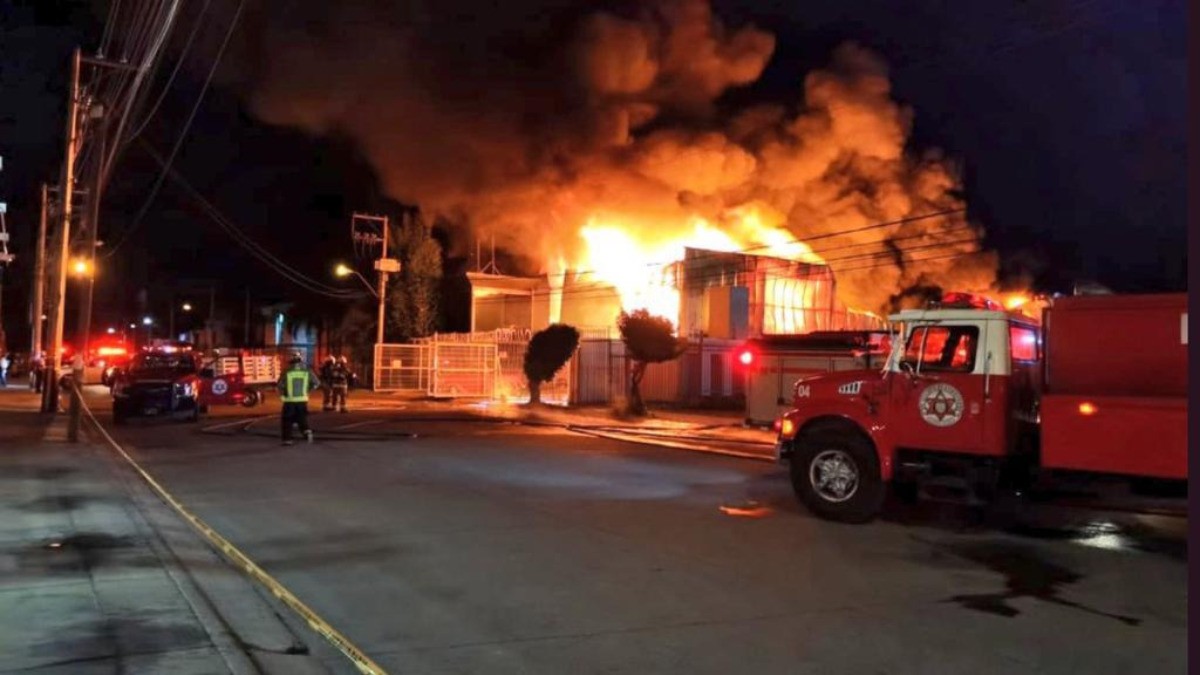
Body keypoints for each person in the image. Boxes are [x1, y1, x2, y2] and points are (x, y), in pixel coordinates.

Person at [276, 353, 321, 446]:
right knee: (302, 418)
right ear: (300, 361)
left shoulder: (287, 371)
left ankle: (287, 439)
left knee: (287, 420)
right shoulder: (307, 371)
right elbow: (316, 383)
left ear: (291, 361)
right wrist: (308, 391)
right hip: (302, 400)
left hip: (289, 400)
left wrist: (283, 395)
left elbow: (280, 385)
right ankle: (307, 432)